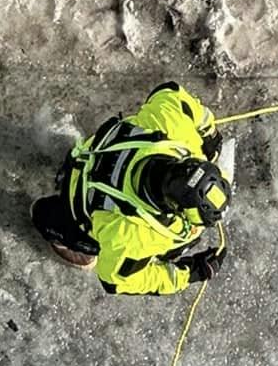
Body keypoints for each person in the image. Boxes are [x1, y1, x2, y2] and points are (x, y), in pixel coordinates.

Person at [31, 83, 234, 296]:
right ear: (174, 207)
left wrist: (209, 132)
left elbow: (169, 91)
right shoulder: (130, 235)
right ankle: (57, 229)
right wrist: (189, 273)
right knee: (57, 221)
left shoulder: (173, 128)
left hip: (93, 154)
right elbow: (116, 280)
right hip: (80, 202)